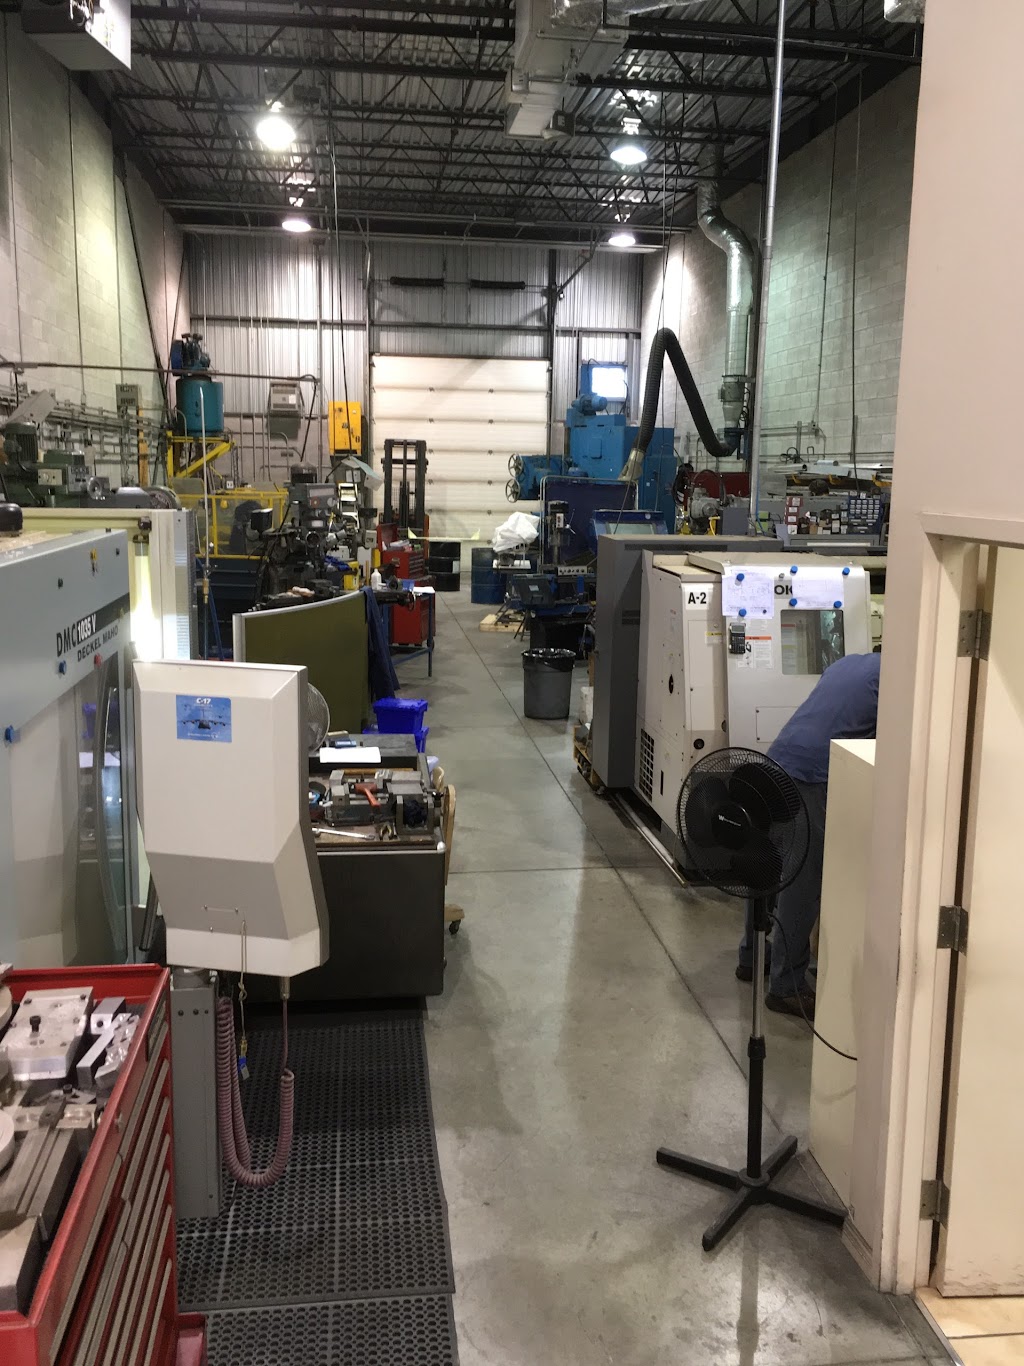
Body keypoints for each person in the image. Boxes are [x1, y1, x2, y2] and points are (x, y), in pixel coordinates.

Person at [736, 650, 882, 1020]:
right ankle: (786, 986)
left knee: (767, 864)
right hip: (810, 776)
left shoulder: (849, 662)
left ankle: (752, 956)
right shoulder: (897, 679)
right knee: (801, 879)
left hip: (775, 761)